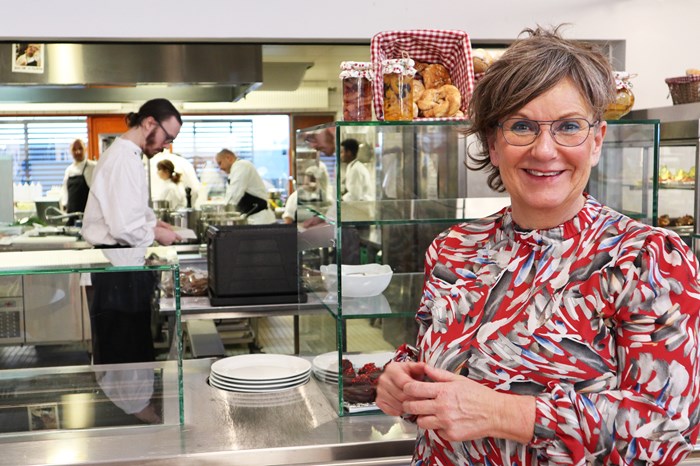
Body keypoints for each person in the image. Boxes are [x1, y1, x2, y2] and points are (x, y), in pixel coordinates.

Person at [375, 26, 700, 465]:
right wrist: (401, 376)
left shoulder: (648, 258)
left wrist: (505, 413)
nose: (545, 150)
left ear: (597, 140)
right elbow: (438, 359)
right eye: (522, 126)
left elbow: (669, 431)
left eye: (568, 126)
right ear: (493, 143)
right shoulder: (454, 248)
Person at [82, 98, 182, 365]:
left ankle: (137, 405)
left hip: (123, 270)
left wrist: (155, 223)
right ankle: (135, 407)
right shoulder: (124, 158)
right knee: (123, 353)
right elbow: (124, 227)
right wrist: (158, 235)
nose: (165, 146)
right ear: (150, 122)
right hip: (117, 272)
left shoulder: (130, 155)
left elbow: (132, 210)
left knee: (132, 347)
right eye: (166, 137)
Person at [215, 148, 275, 224]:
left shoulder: (242, 166)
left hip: (260, 220)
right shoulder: (234, 171)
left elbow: (233, 196)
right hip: (252, 218)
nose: (220, 168)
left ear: (228, 158)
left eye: (220, 163)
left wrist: (221, 214)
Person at [60, 138, 96, 225]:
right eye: (74, 149)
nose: (78, 152)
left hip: (89, 218)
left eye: (80, 148)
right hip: (72, 217)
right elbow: (64, 192)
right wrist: (64, 206)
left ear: (85, 149)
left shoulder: (93, 167)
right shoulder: (68, 170)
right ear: (70, 151)